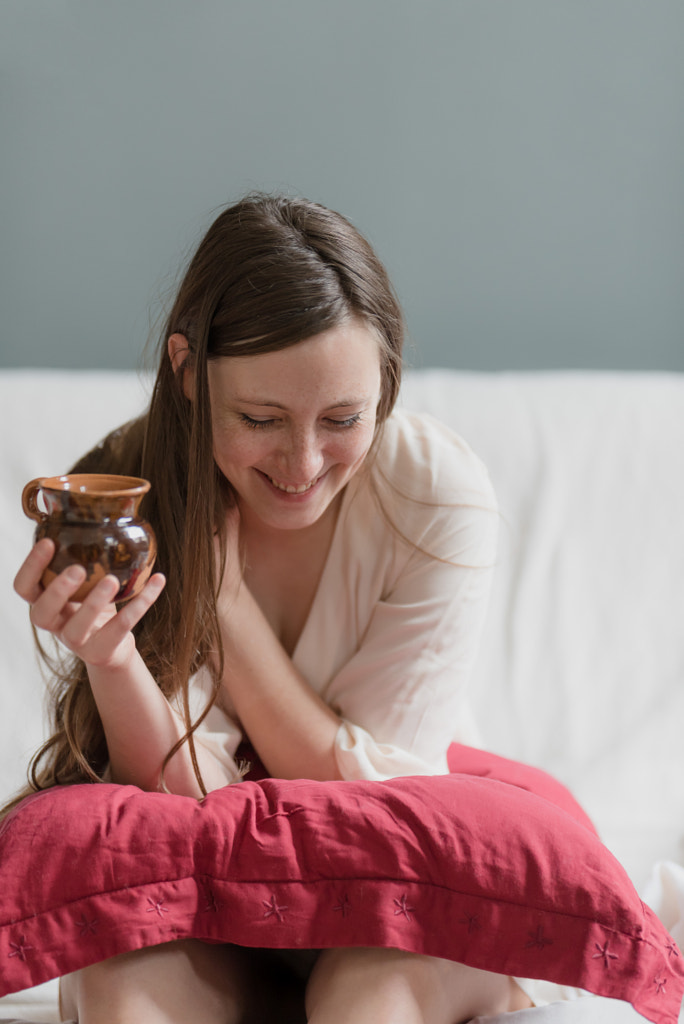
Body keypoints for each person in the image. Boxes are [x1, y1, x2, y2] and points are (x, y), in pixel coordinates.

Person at [11, 194, 532, 1024]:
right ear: (187, 371)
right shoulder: (127, 488)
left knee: (366, 998)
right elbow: (181, 812)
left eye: (342, 419)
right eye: (259, 418)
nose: (301, 465)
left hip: (386, 890)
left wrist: (222, 600)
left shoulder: (436, 497)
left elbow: (366, 800)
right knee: (120, 990)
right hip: (214, 901)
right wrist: (112, 661)